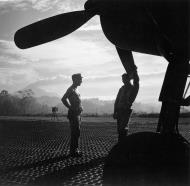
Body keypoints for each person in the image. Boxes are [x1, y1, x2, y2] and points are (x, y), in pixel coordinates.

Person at [113, 71, 139, 142]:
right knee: (120, 129)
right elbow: (117, 100)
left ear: (129, 79)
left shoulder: (133, 88)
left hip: (126, 111)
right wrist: (115, 111)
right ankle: (121, 143)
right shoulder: (121, 88)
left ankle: (122, 144)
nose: (123, 80)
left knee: (123, 129)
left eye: (124, 79)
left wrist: (135, 75)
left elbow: (137, 83)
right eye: (122, 79)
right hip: (119, 111)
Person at [61, 73, 83, 157]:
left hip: (77, 114)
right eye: (80, 79)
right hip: (73, 114)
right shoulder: (71, 89)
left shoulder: (75, 89)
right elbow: (63, 99)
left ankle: (75, 150)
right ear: (75, 80)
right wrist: (70, 107)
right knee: (75, 132)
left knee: (77, 132)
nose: (81, 81)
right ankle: (73, 151)